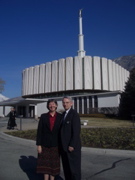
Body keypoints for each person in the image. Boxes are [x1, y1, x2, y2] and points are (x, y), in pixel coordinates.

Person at [36, 99, 62, 180]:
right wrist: (39, 145)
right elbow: (39, 131)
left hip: (56, 145)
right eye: (50, 104)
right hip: (45, 145)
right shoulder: (43, 116)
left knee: (53, 166)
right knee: (45, 166)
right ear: (48, 106)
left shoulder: (61, 117)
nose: (52, 105)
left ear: (56, 105)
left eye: (54, 104)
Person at [60, 96, 81, 180]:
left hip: (72, 148)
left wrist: (72, 145)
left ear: (71, 103)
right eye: (63, 103)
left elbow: (76, 131)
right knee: (67, 169)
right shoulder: (63, 114)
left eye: (67, 102)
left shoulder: (74, 114)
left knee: (74, 170)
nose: (65, 104)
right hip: (64, 147)